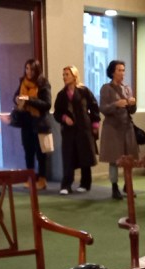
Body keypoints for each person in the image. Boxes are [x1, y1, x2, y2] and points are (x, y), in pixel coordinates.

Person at [52, 65, 100, 195]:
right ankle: (66, 185)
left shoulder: (84, 91)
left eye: (67, 74)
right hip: (68, 130)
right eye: (63, 75)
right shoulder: (61, 95)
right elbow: (57, 113)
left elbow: (94, 107)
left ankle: (85, 183)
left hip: (84, 128)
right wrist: (64, 118)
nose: (64, 77)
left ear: (74, 76)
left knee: (85, 156)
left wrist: (95, 124)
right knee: (68, 157)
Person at [99, 59, 138, 200]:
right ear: (112, 72)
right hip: (112, 129)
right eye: (119, 70)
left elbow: (132, 111)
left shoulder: (127, 88)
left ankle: (128, 185)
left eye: (123, 70)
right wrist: (116, 104)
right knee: (114, 159)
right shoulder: (106, 88)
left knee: (129, 159)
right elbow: (102, 108)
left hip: (127, 127)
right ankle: (114, 187)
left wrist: (132, 104)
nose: (122, 73)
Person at [13, 59, 51, 190]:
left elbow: (47, 104)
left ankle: (42, 179)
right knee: (28, 151)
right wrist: (17, 99)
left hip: (39, 122)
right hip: (26, 122)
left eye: (31, 69)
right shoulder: (22, 82)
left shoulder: (43, 83)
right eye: (27, 68)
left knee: (41, 153)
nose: (28, 72)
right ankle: (30, 178)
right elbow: (15, 96)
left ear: (37, 70)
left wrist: (29, 99)